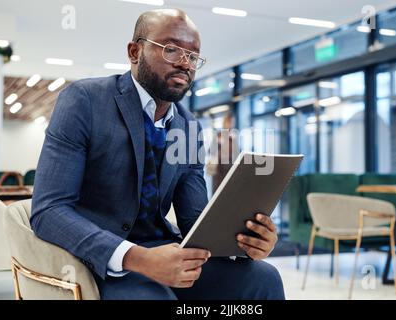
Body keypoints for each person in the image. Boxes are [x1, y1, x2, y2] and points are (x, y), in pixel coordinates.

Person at [30, 8, 284, 300]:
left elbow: (194, 218)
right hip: (100, 259)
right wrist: (137, 258)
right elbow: (48, 210)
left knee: (263, 278)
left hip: (164, 249)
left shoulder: (188, 126)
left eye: (193, 56)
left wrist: (243, 242)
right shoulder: (84, 101)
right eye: (172, 49)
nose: (185, 63)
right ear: (135, 51)